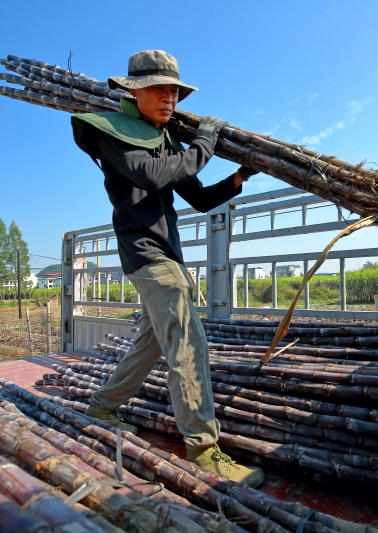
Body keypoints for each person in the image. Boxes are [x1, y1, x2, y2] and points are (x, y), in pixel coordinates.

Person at [71, 50, 264, 487]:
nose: (169, 97)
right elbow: (154, 176)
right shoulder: (114, 133)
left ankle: (102, 406)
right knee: (189, 342)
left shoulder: (166, 142)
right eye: (159, 88)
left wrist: (240, 177)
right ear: (133, 91)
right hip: (146, 253)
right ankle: (204, 448)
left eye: (174, 90)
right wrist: (205, 144)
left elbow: (198, 198)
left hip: (164, 253)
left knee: (153, 343)